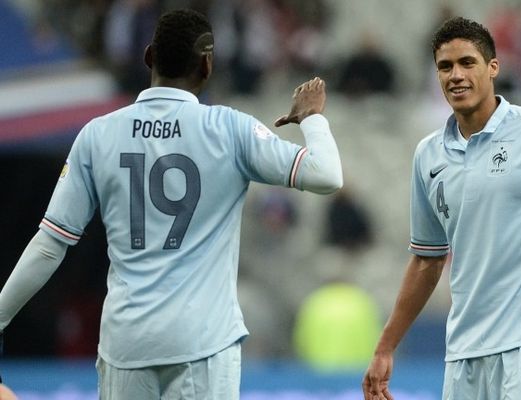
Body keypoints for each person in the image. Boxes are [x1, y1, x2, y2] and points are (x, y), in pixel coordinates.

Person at [0, 9, 342, 400]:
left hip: (127, 342)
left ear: (148, 57)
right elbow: (327, 175)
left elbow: (50, 244)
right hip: (202, 342)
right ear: (208, 65)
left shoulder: (97, 135)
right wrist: (313, 118)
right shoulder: (230, 129)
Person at [362, 17, 521, 400]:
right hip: (463, 354)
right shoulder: (428, 155)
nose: (455, 75)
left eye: (467, 62)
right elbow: (427, 259)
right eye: (445, 66)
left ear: (493, 67)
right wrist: (385, 346)